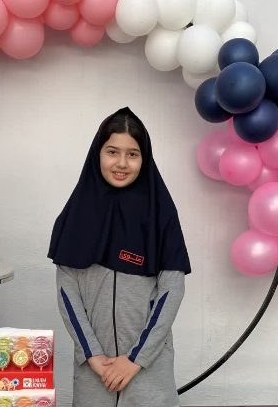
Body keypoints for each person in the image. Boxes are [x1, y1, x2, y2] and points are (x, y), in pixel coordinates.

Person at [48, 107, 191, 407]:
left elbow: (171, 290)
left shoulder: (161, 214)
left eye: (133, 154)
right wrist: (93, 355)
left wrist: (135, 359)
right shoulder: (76, 215)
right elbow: (67, 293)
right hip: (94, 371)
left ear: (144, 158)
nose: (122, 163)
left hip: (147, 370)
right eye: (112, 152)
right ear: (97, 153)